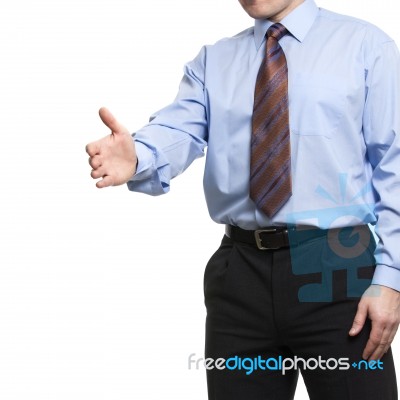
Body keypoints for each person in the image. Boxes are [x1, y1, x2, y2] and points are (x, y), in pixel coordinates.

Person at [86, 0, 400, 398]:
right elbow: (178, 129)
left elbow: (394, 165)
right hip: (239, 274)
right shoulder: (213, 61)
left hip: (336, 266)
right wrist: (138, 156)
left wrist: (392, 279)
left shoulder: (366, 46)